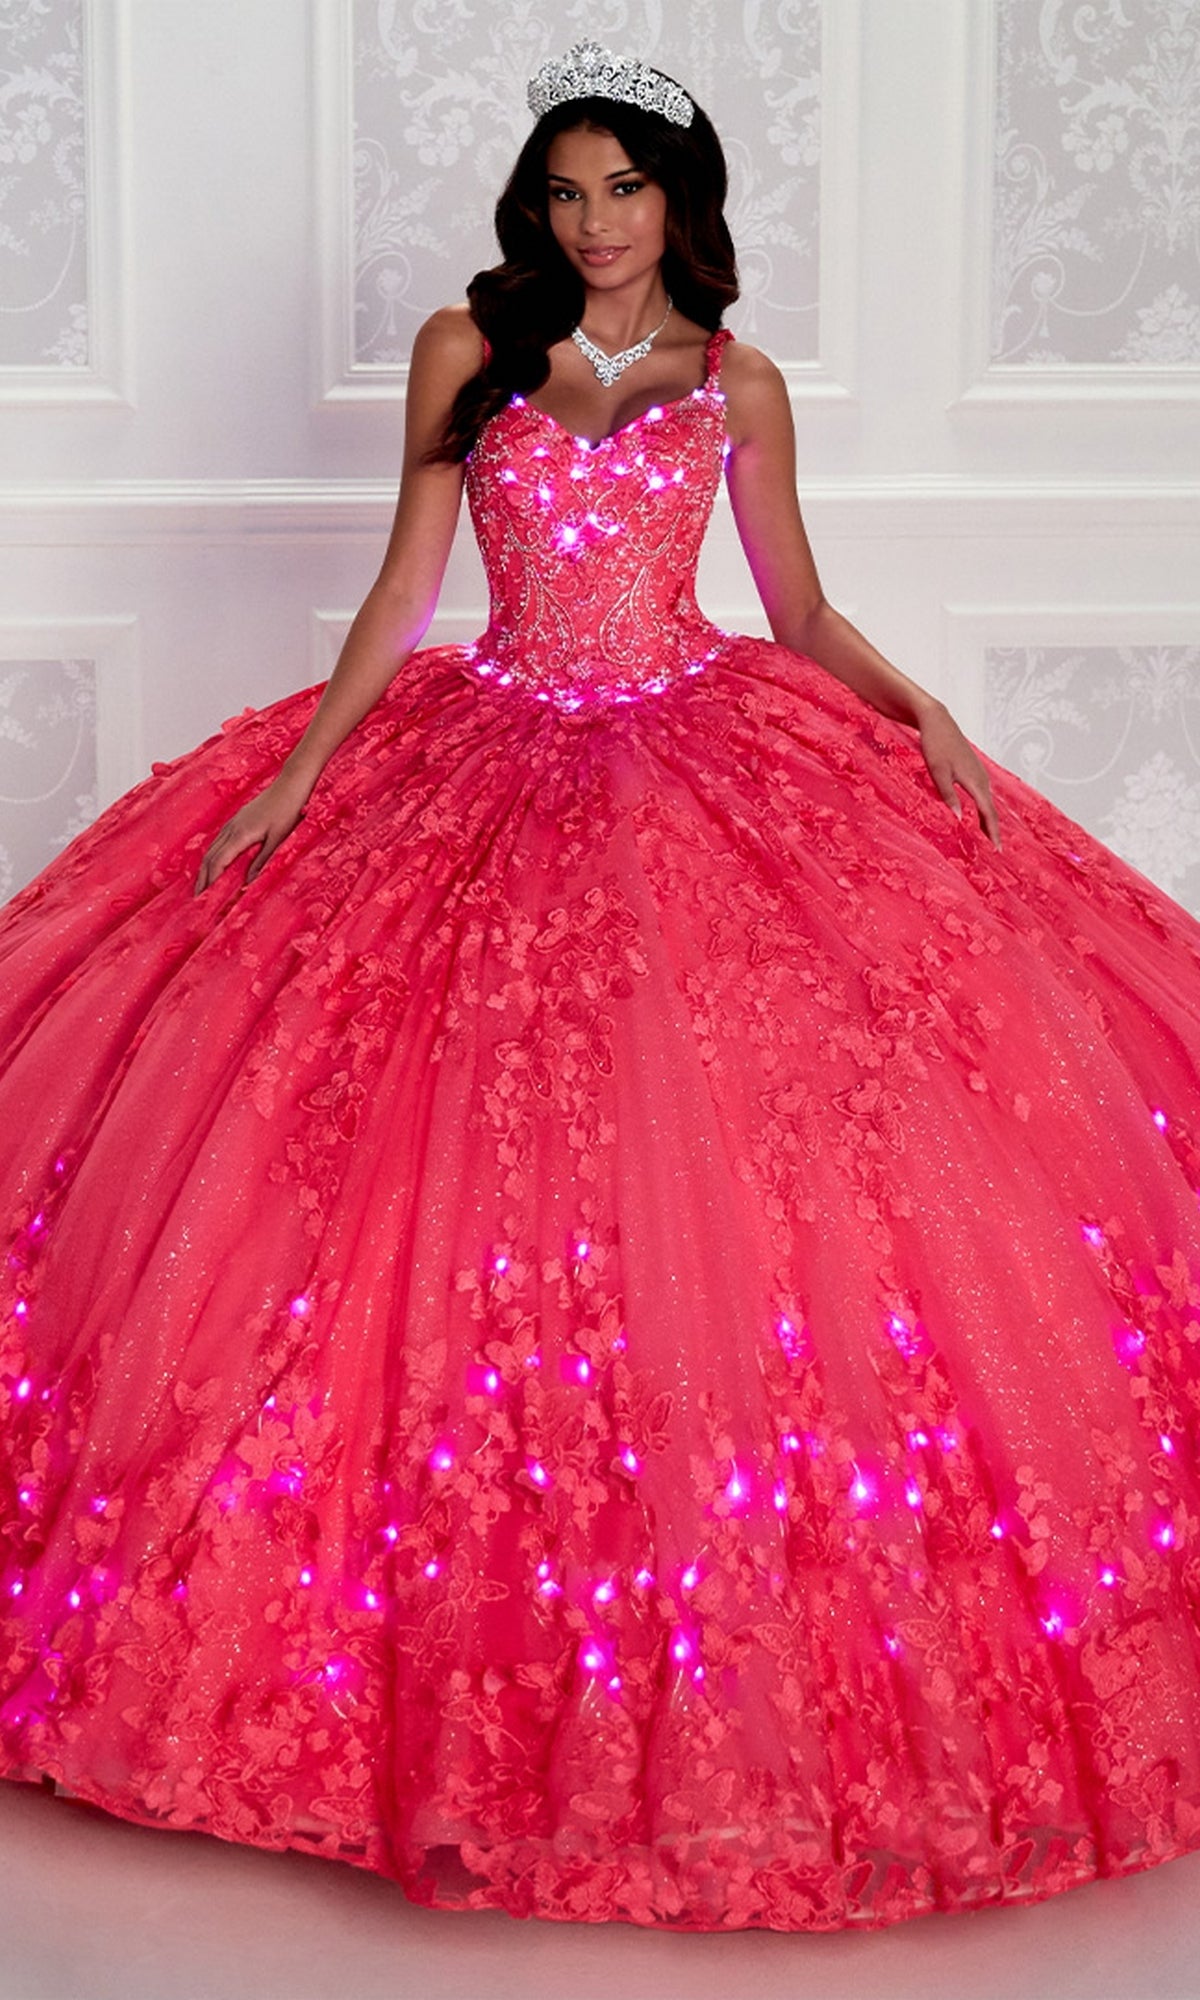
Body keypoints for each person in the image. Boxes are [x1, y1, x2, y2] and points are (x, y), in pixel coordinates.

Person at [2, 39, 1200, 1935]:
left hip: (695, 740)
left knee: (738, 1155)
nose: (593, 224)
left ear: (682, 205)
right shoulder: (468, 351)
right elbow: (404, 591)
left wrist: (922, 707)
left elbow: (793, 604)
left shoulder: (740, 383)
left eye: (623, 190)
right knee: (412, 1147)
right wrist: (300, 783)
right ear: (532, 213)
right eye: (562, 193)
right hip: (484, 738)